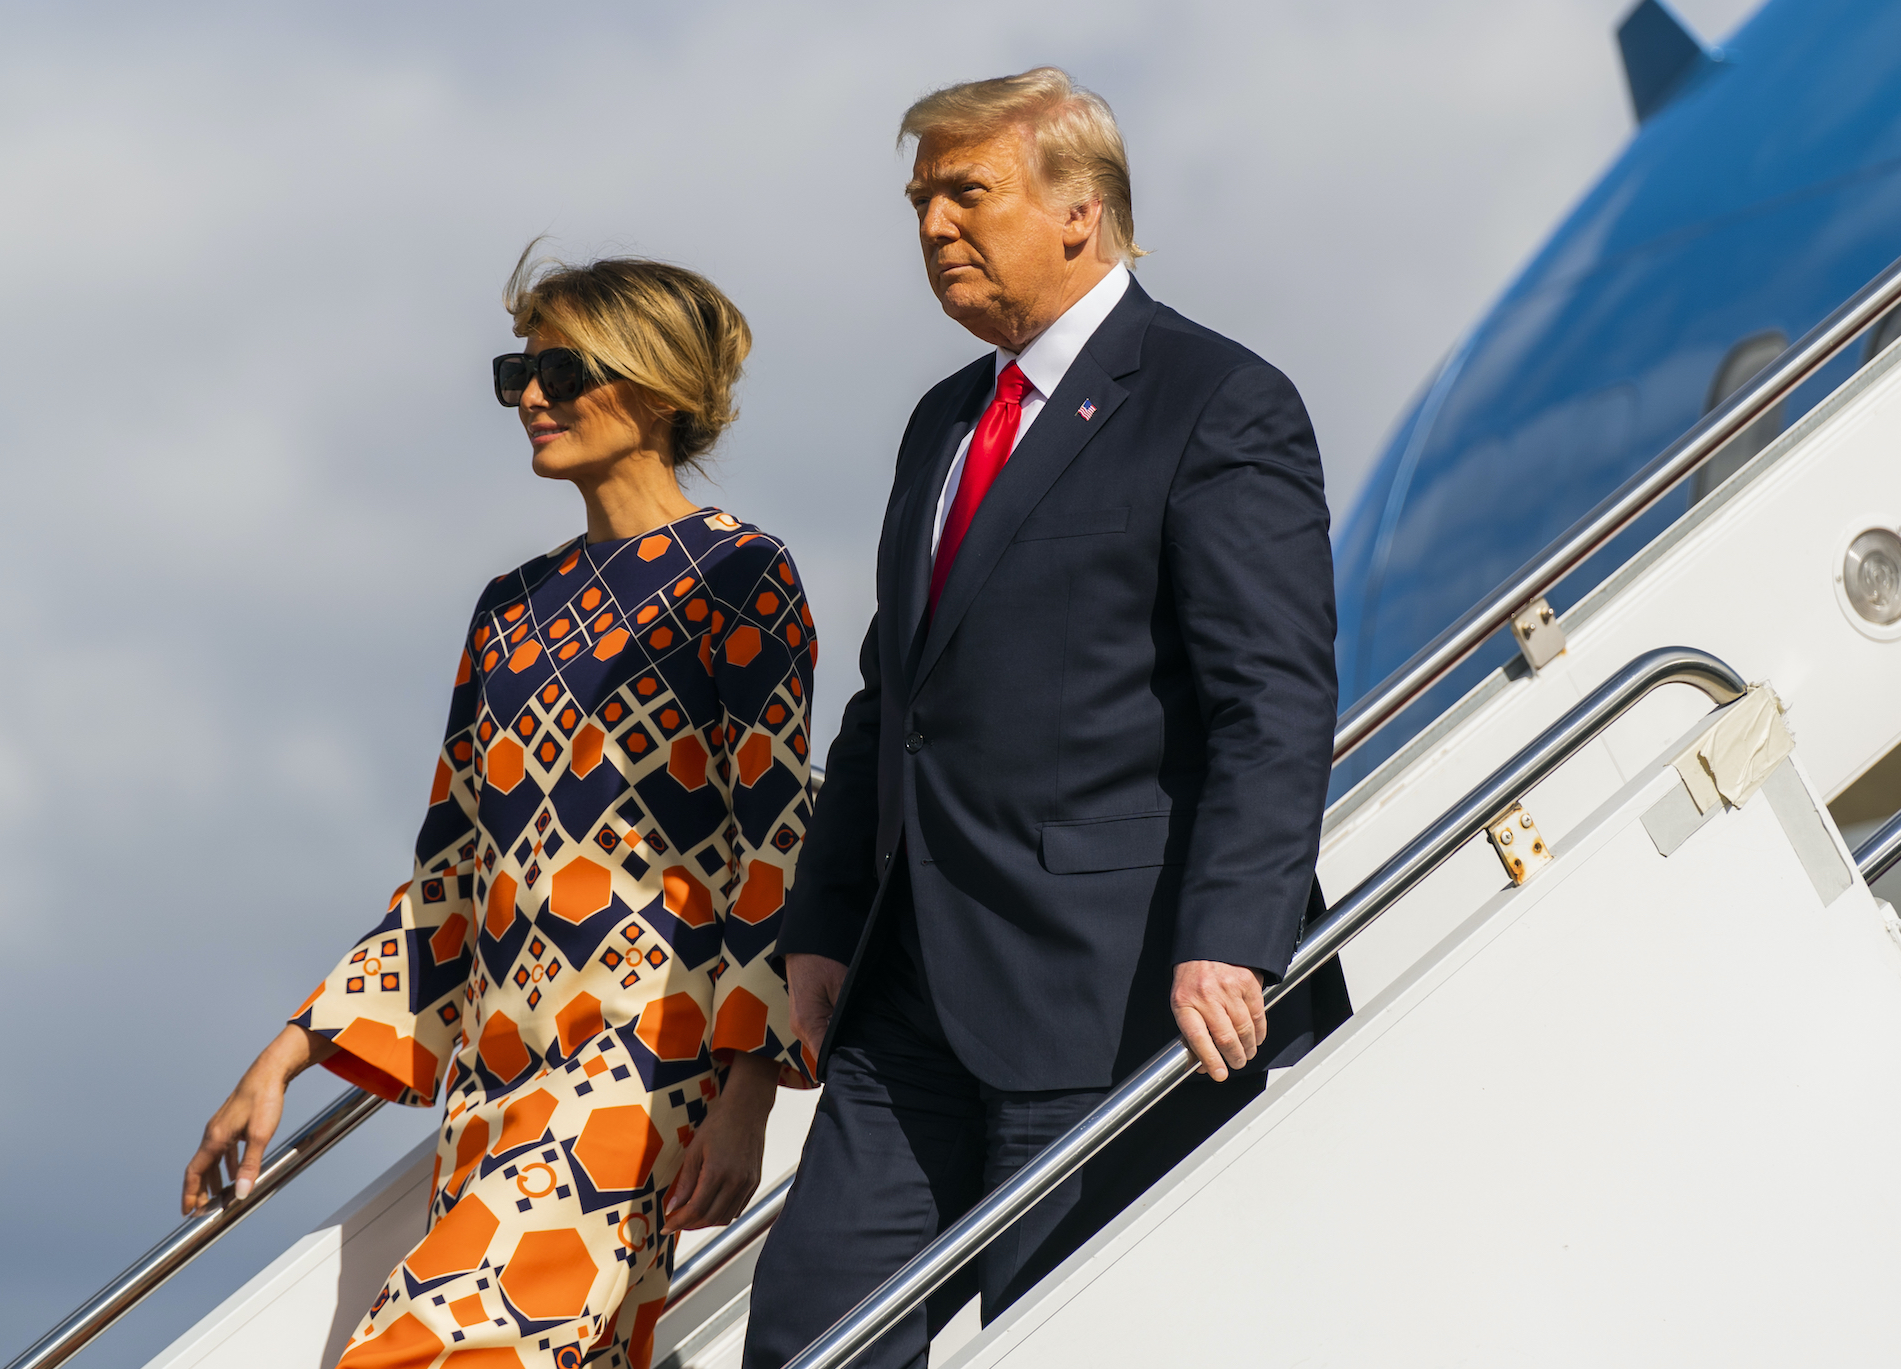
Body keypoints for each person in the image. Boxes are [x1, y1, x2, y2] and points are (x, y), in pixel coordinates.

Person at [744, 69, 1348, 1368]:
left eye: (966, 193)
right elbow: (888, 704)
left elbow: (1273, 698)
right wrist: (820, 924)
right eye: (919, 201)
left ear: (1080, 210)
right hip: (906, 999)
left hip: (1110, 998)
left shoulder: (1215, 402)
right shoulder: (942, 427)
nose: (932, 228)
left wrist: (1233, 937)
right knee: (805, 1339)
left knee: (1062, 1338)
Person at [184, 251, 817, 1369]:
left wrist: (750, 1090)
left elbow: (772, 839)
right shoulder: (508, 609)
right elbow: (452, 869)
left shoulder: (741, 574)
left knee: (431, 1347)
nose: (532, 396)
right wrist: (285, 1054)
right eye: (518, 372)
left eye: (563, 370)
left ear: (658, 387)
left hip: (647, 1058)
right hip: (495, 1077)